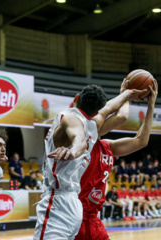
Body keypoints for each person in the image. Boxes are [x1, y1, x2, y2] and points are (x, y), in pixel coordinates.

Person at [34, 83, 144, 240]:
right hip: (75, 205)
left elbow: (78, 138)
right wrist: (127, 93)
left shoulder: (70, 116)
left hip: (57, 201)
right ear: (97, 111)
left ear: (76, 98)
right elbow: (111, 107)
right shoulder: (94, 124)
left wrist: (73, 151)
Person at [75, 80, 158, 239]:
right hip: (75, 216)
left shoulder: (106, 146)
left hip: (94, 219)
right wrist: (126, 93)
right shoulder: (83, 140)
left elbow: (141, 141)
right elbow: (122, 116)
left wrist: (151, 105)